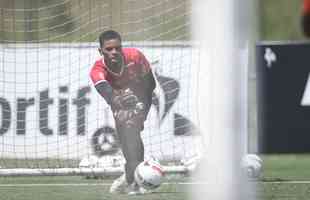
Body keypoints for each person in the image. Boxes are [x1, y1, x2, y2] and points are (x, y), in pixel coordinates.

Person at [90, 30, 156, 194]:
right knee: (128, 133)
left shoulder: (135, 56)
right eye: (109, 49)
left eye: (117, 48)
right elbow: (105, 91)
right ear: (101, 51)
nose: (114, 52)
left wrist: (141, 109)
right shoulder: (97, 69)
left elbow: (151, 85)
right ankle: (131, 177)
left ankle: (134, 179)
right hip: (119, 103)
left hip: (142, 97)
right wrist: (119, 100)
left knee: (132, 129)